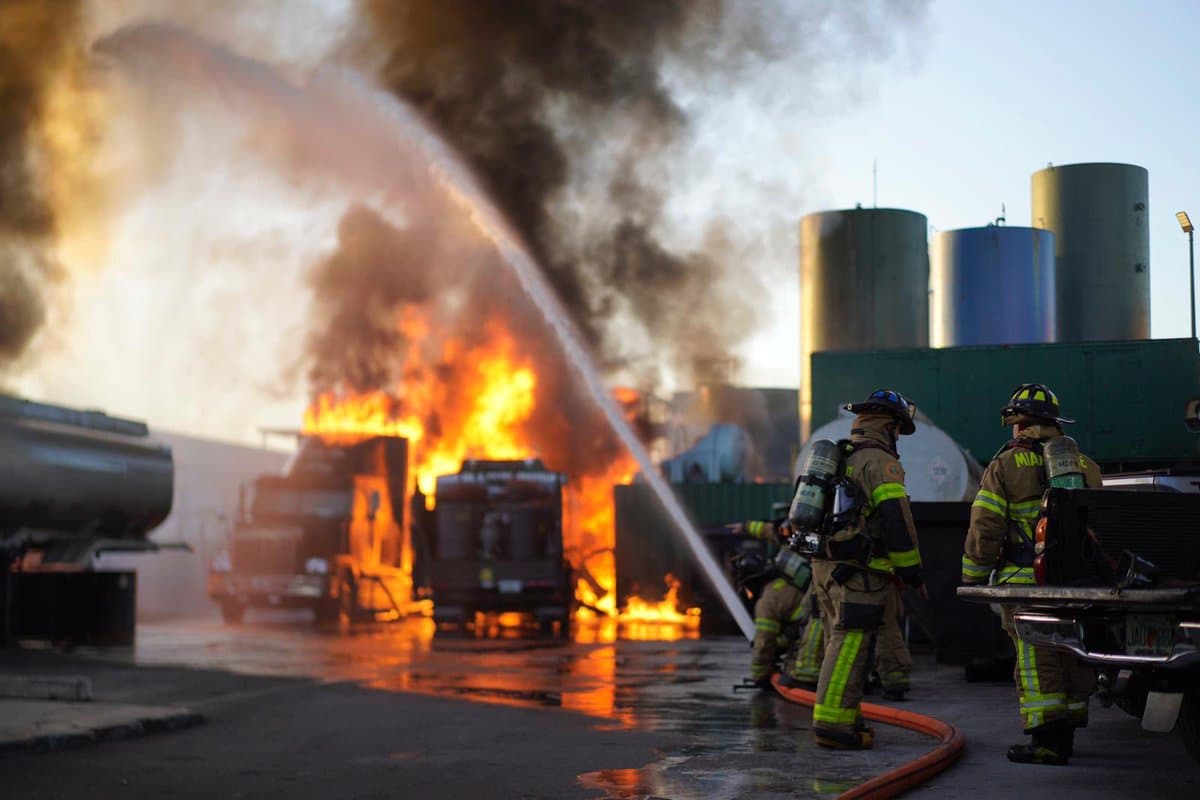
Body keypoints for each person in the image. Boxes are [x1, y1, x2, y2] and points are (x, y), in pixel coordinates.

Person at [961, 383, 1101, 766]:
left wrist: (973, 575)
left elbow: (986, 525)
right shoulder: (1086, 466)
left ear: (1018, 423)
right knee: (1070, 651)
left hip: (1025, 580)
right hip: (1076, 581)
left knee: (1036, 656)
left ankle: (1047, 741)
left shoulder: (1005, 464)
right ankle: (1067, 731)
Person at [810, 389, 924, 750]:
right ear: (890, 426)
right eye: (898, 430)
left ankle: (847, 716)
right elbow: (896, 521)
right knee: (850, 649)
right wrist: (911, 571)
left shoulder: (841, 456)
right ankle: (832, 725)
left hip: (825, 568)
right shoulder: (879, 462)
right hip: (858, 574)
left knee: (838, 645)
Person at [732, 517, 815, 689]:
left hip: (809, 644)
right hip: (814, 629)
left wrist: (760, 676)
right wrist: (746, 526)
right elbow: (772, 532)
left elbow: (764, 642)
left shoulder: (767, 601)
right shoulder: (786, 580)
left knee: (796, 673)